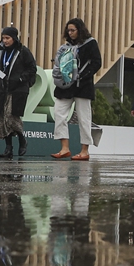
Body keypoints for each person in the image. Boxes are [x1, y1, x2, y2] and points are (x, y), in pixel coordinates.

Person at [51, 18, 101, 161]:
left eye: (73, 30)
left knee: (84, 118)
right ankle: (64, 148)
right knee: (59, 113)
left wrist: (83, 76)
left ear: (80, 30)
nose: (70, 33)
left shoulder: (90, 43)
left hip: (82, 86)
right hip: (65, 86)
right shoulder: (65, 46)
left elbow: (97, 62)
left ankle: (84, 151)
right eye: (68, 30)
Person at [0, 26, 37, 159]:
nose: (5, 41)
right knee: (2, 118)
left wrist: (20, 78)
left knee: (12, 117)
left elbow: (32, 68)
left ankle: (22, 140)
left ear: (14, 38)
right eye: (3, 38)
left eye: (7, 38)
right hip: (4, 89)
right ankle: (8, 148)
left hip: (18, 90)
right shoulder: (1, 53)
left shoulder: (23, 51)